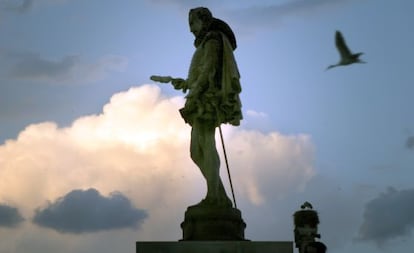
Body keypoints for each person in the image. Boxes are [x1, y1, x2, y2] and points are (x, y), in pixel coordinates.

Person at [151, 7, 242, 207]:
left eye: (193, 23)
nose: (190, 29)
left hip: (206, 99)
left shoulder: (211, 41)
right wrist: (176, 81)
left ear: (204, 21)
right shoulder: (204, 43)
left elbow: (208, 70)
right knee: (196, 151)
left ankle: (214, 197)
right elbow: (198, 76)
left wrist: (195, 93)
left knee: (205, 145)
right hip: (201, 97)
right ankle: (220, 197)